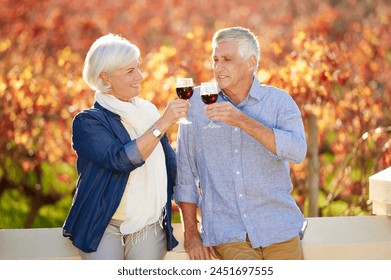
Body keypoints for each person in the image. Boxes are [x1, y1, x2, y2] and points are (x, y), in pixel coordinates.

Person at [174, 27, 307, 260]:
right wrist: (191, 234)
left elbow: (297, 151)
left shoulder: (278, 102)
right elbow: (185, 174)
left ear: (251, 62)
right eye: (215, 59)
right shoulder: (195, 103)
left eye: (227, 59)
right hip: (228, 233)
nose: (218, 67)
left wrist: (240, 120)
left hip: (279, 229)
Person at [62, 33, 189, 260]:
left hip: (150, 222)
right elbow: (121, 160)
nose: (139, 76)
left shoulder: (147, 112)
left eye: (138, 68)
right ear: (105, 78)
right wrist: (162, 123)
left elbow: (171, 165)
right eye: (130, 71)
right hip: (102, 222)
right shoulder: (88, 122)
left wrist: (196, 208)